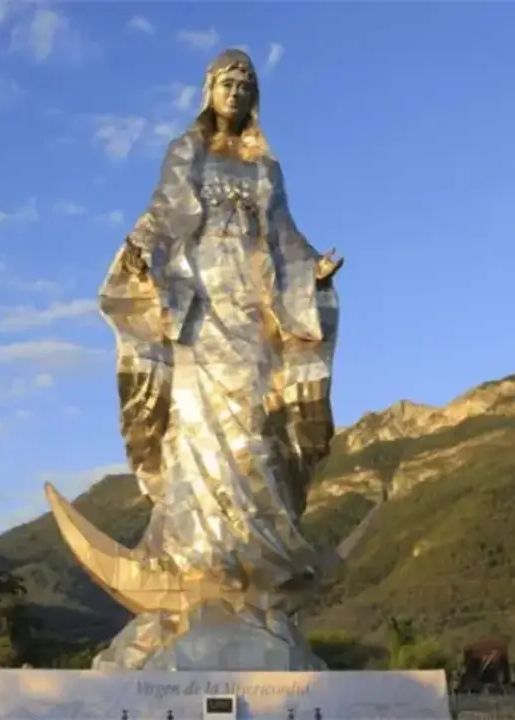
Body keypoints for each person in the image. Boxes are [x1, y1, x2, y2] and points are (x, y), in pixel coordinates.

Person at [99, 48, 344, 597]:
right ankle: (194, 555)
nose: (235, 93)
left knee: (256, 416)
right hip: (197, 302)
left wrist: (314, 270)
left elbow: (283, 234)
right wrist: (140, 251)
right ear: (208, 91)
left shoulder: (265, 167)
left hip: (253, 303)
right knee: (193, 422)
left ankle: (256, 555)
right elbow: (162, 215)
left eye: (244, 86)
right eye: (226, 84)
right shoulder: (186, 152)